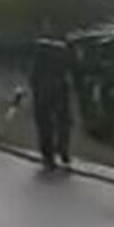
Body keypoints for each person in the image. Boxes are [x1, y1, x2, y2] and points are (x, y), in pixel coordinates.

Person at [30, 24, 73, 170]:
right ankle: (63, 148)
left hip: (43, 89)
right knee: (64, 120)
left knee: (44, 123)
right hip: (61, 87)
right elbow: (70, 69)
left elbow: (34, 73)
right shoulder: (64, 50)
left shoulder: (39, 49)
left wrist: (34, 88)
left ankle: (48, 156)